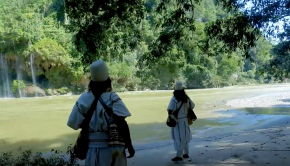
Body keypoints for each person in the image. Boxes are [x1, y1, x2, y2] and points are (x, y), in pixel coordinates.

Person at [67, 60, 135, 166]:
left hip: (92, 151)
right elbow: (122, 124)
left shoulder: (83, 99)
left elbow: (73, 123)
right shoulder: (113, 98)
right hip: (114, 149)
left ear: (91, 81)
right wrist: (129, 145)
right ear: (108, 80)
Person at [167, 81, 195, 162]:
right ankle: (186, 153)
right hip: (185, 120)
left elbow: (169, 109)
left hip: (177, 121)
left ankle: (178, 156)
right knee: (185, 137)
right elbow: (192, 106)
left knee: (178, 138)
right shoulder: (186, 98)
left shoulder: (174, 99)